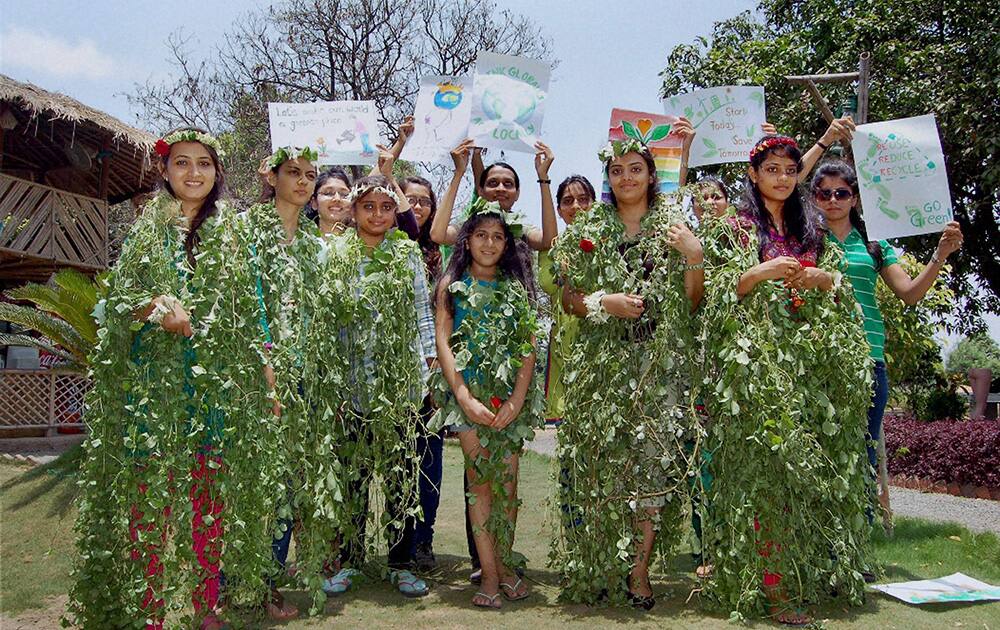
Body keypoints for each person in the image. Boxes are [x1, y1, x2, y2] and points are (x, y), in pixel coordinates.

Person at [69, 128, 262, 630]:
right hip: (152, 390)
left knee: (208, 501)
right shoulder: (144, 231)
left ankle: (205, 606)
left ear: (217, 172)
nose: (193, 173)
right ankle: (149, 610)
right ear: (164, 170)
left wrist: (265, 376)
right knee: (149, 504)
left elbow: (253, 311)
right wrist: (152, 307)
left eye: (203, 163)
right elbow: (113, 303)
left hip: (212, 391)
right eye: (182, 163)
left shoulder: (233, 236)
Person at [700, 135, 874, 625]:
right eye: (771, 168)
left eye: (789, 169)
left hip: (811, 363)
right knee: (772, 474)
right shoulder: (733, 227)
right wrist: (760, 272)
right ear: (753, 175)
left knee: (807, 474)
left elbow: (840, 286)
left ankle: (801, 576)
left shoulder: (811, 228)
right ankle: (774, 589)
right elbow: (716, 293)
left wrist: (825, 280)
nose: (781, 176)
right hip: (757, 368)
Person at [549, 138, 705, 609]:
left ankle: (638, 573)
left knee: (651, 469)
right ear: (608, 178)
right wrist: (605, 303)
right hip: (603, 367)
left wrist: (694, 254)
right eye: (616, 170)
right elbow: (569, 298)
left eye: (635, 168)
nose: (626, 178)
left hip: (660, 366)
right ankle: (601, 564)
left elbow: (693, 300)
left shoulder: (674, 226)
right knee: (604, 470)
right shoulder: (589, 226)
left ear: (651, 175)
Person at [811, 160, 963, 479]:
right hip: (817, 358)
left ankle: (861, 525)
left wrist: (940, 255)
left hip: (869, 358)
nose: (833, 200)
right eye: (824, 194)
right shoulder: (805, 241)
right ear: (814, 198)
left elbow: (909, 293)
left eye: (842, 192)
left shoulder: (874, 245)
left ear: (855, 198)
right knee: (818, 449)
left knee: (863, 451)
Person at [431, 202, 544, 608]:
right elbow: (444, 342)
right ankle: (490, 576)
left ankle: (508, 566)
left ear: (508, 243)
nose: (490, 243)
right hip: (467, 399)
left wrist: (516, 398)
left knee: (508, 486)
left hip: (508, 400)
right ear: (467, 240)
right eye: (481, 235)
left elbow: (528, 346)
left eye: (498, 236)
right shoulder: (451, 284)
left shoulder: (517, 287)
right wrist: (462, 396)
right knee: (479, 485)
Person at [329, 174, 436, 599]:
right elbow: (326, 321)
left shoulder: (407, 255)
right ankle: (351, 561)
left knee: (401, 481)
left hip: (401, 390)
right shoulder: (336, 254)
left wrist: (427, 376)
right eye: (368, 206)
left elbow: (422, 315)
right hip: (351, 389)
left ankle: (400, 563)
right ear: (354, 211)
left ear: (395, 213)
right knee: (353, 480)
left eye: (386, 207)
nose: (377, 214)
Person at [399, 174, 444, 571]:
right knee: (397, 460)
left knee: (428, 457)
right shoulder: (386, 244)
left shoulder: (443, 248)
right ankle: (396, 541)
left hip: (430, 368)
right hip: (390, 372)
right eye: (408, 198)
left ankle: (423, 539)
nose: (416, 206)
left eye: (423, 201)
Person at [430, 139, 557, 252]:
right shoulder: (469, 225)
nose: (501, 188)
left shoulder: (520, 228)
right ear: (480, 191)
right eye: (493, 183)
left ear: (517, 194)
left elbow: (549, 241)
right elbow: (438, 235)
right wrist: (458, 173)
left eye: (508, 184)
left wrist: (543, 178)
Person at [540, 175, 597, 424]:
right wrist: (564, 272)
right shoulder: (553, 247)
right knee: (569, 444)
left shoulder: (609, 244)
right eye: (568, 201)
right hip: (564, 350)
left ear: (594, 204)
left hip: (600, 349)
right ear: (559, 210)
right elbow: (548, 283)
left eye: (583, 200)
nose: (576, 206)